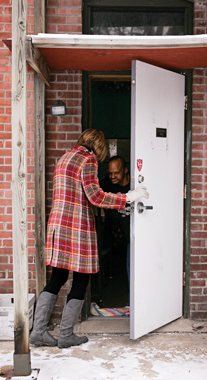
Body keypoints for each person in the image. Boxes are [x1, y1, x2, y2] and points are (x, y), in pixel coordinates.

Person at [30, 128, 148, 348]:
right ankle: (65, 334)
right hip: (76, 227)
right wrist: (127, 197)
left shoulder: (64, 158)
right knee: (82, 278)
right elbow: (95, 196)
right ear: (99, 146)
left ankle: (38, 332)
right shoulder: (88, 160)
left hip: (58, 226)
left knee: (57, 278)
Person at [99, 156, 131, 304]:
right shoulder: (107, 184)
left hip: (135, 235)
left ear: (125, 170)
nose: (112, 176)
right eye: (110, 173)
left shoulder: (135, 184)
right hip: (116, 234)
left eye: (116, 173)